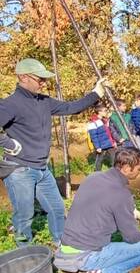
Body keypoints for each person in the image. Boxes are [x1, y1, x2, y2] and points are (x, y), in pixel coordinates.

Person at [0, 58, 105, 247]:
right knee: (24, 217)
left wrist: (95, 94)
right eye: (39, 79)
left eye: (44, 79)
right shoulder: (10, 104)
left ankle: (63, 244)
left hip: (42, 168)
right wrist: (7, 142)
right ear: (23, 77)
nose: (43, 83)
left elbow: (70, 107)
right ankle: (25, 252)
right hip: (19, 170)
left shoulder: (44, 101)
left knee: (57, 209)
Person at [54, 147, 140, 273]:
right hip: (85, 256)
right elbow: (131, 238)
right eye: (139, 169)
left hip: (66, 247)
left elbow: (103, 204)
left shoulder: (93, 177)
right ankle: (101, 272)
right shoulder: (121, 194)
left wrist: (130, 210)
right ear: (126, 168)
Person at [88, 105, 117, 171]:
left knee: (114, 158)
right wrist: (97, 147)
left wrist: (113, 142)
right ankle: (97, 174)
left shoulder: (104, 120)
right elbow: (94, 136)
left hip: (109, 144)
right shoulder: (93, 123)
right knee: (99, 160)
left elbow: (109, 132)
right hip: (101, 145)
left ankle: (115, 172)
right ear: (99, 112)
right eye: (105, 111)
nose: (106, 112)